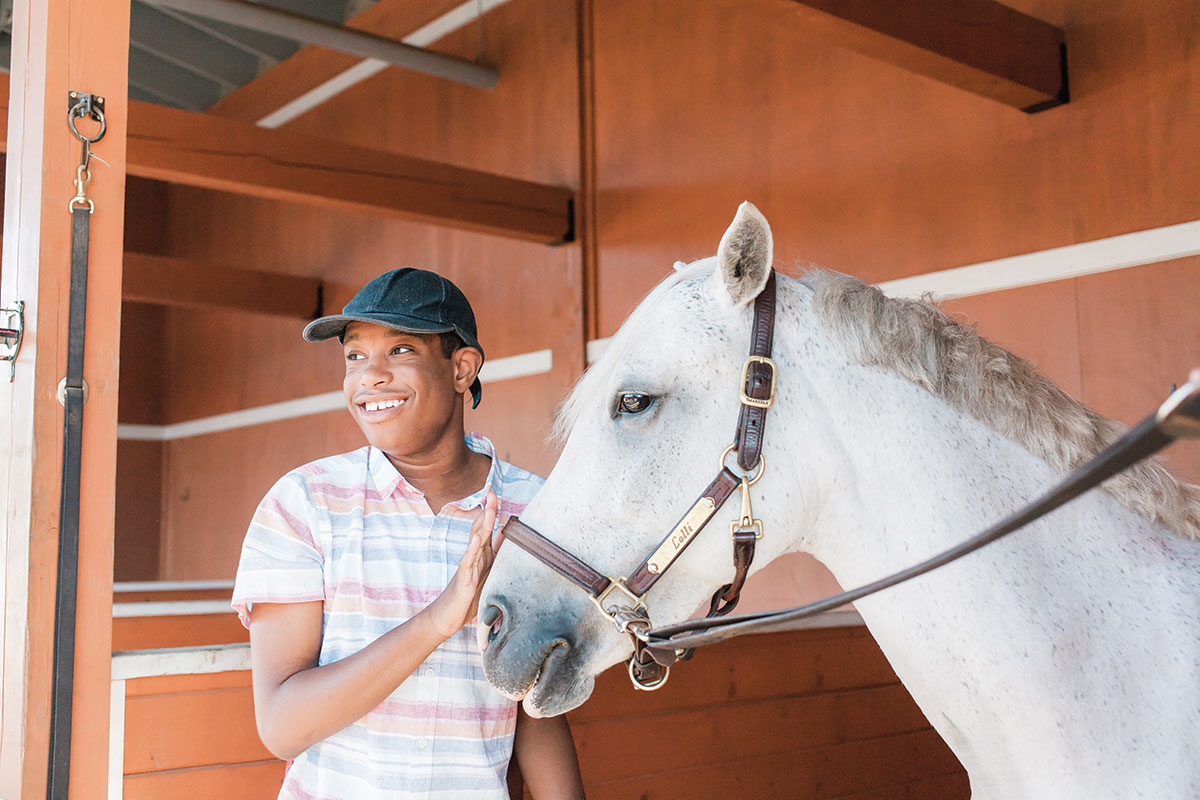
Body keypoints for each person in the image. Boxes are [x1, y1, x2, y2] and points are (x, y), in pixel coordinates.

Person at [231, 268, 586, 800]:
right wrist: (439, 620)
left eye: (399, 351)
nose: (369, 377)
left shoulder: (535, 512)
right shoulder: (305, 503)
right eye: (354, 356)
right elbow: (282, 726)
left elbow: (532, 706)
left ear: (462, 368)